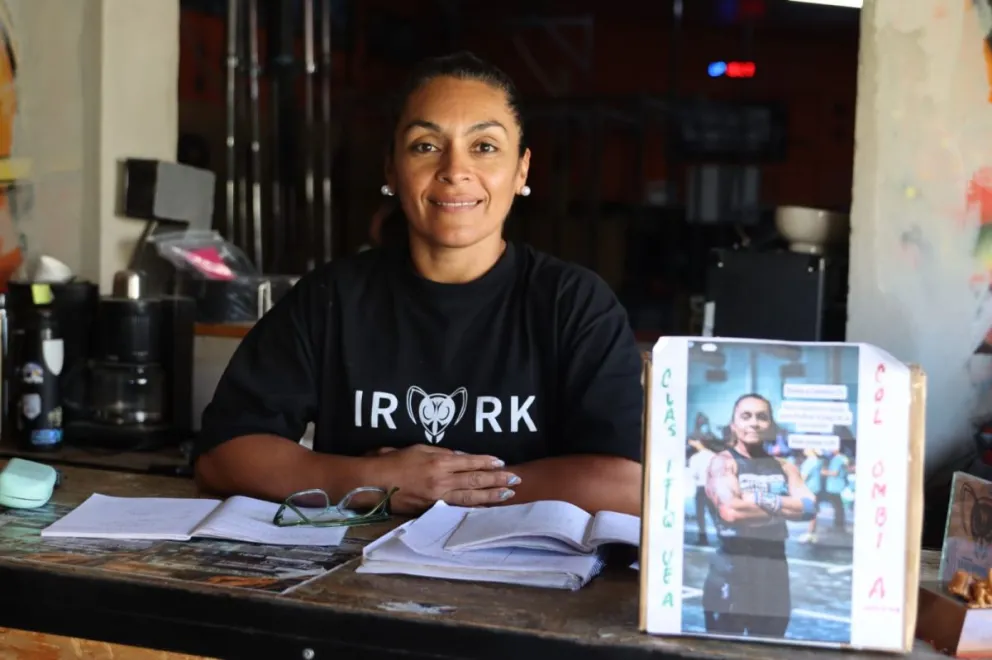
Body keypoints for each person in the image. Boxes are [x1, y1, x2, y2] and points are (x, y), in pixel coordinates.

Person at [193, 51, 644, 517]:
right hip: (353, 578)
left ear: (521, 170)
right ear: (391, 169)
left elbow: (626, 483)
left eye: (484, 146)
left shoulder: (573, 304)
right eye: (426, 146)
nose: (454, 169)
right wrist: (374, 482)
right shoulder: (333, 298)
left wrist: (445, 489)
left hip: (530, 579)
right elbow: (223, 457)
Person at [703, 393, 817, 638]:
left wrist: (757, 499)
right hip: (732, 570)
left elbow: (809, 507)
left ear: (771, 426)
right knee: (722, 650)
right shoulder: (723, 463)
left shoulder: (785, 467)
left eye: (761, 417)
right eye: (746, 416)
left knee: (770, 645)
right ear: (734, 425)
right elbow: (730, 510)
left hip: (773, 572)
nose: (754, 423)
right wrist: (785, 507)